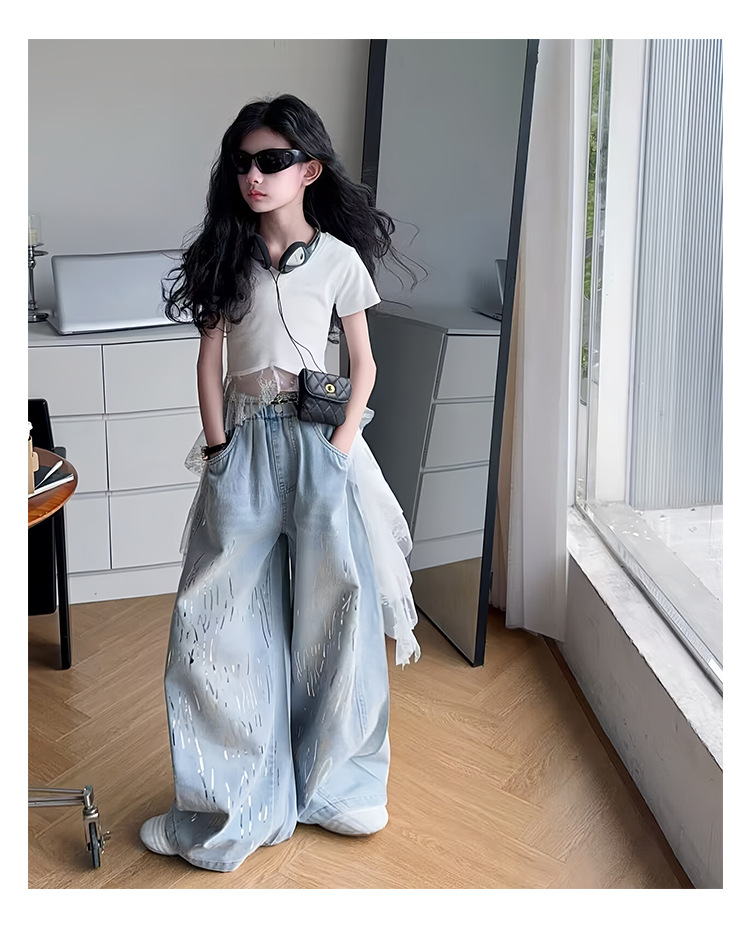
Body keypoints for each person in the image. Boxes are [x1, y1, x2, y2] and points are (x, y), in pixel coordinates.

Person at [139, 93, 421, 872]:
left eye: (272, 161)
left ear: (309, 169)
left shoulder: (339, 261)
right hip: (243, 444)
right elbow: (209, 363)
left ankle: (338, 789)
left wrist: (340, 445)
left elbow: (364, 365)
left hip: (319, 444)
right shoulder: (226, 258)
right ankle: (235, 800)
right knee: (213, 620)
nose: (254, 176)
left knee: (337, 614)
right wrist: (219, 447)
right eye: (243, 163)